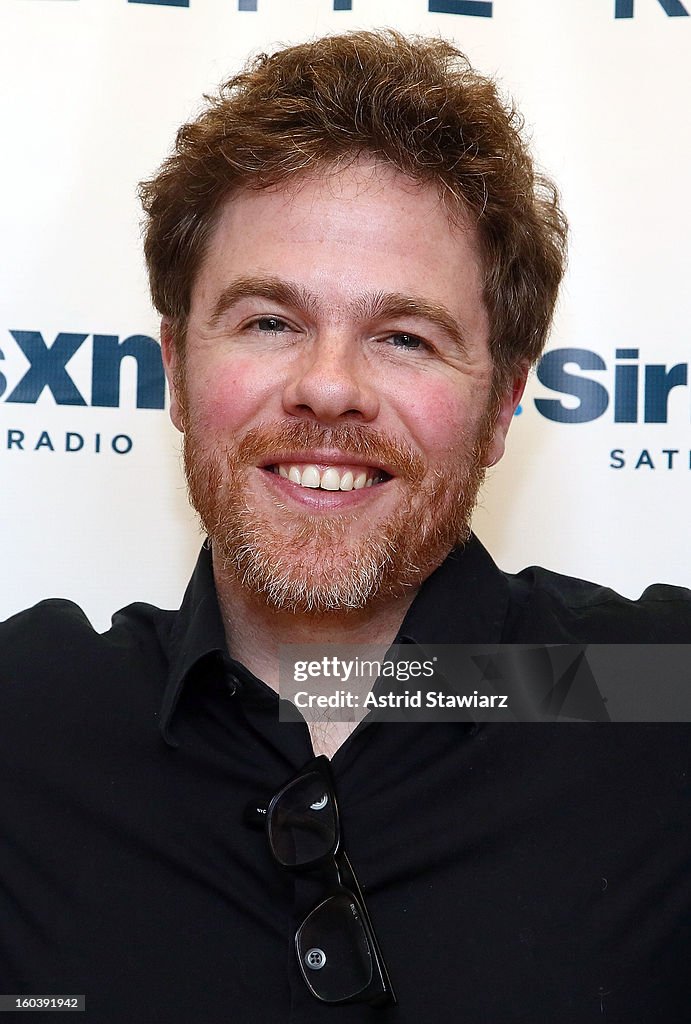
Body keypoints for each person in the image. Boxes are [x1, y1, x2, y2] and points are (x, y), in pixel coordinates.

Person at [1, 29, 689, 1023]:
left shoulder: (656, 703)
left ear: (501, 408)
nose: (328, 386)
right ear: (176, 376)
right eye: (269, 321)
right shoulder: (27, 728)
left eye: (403, 337)